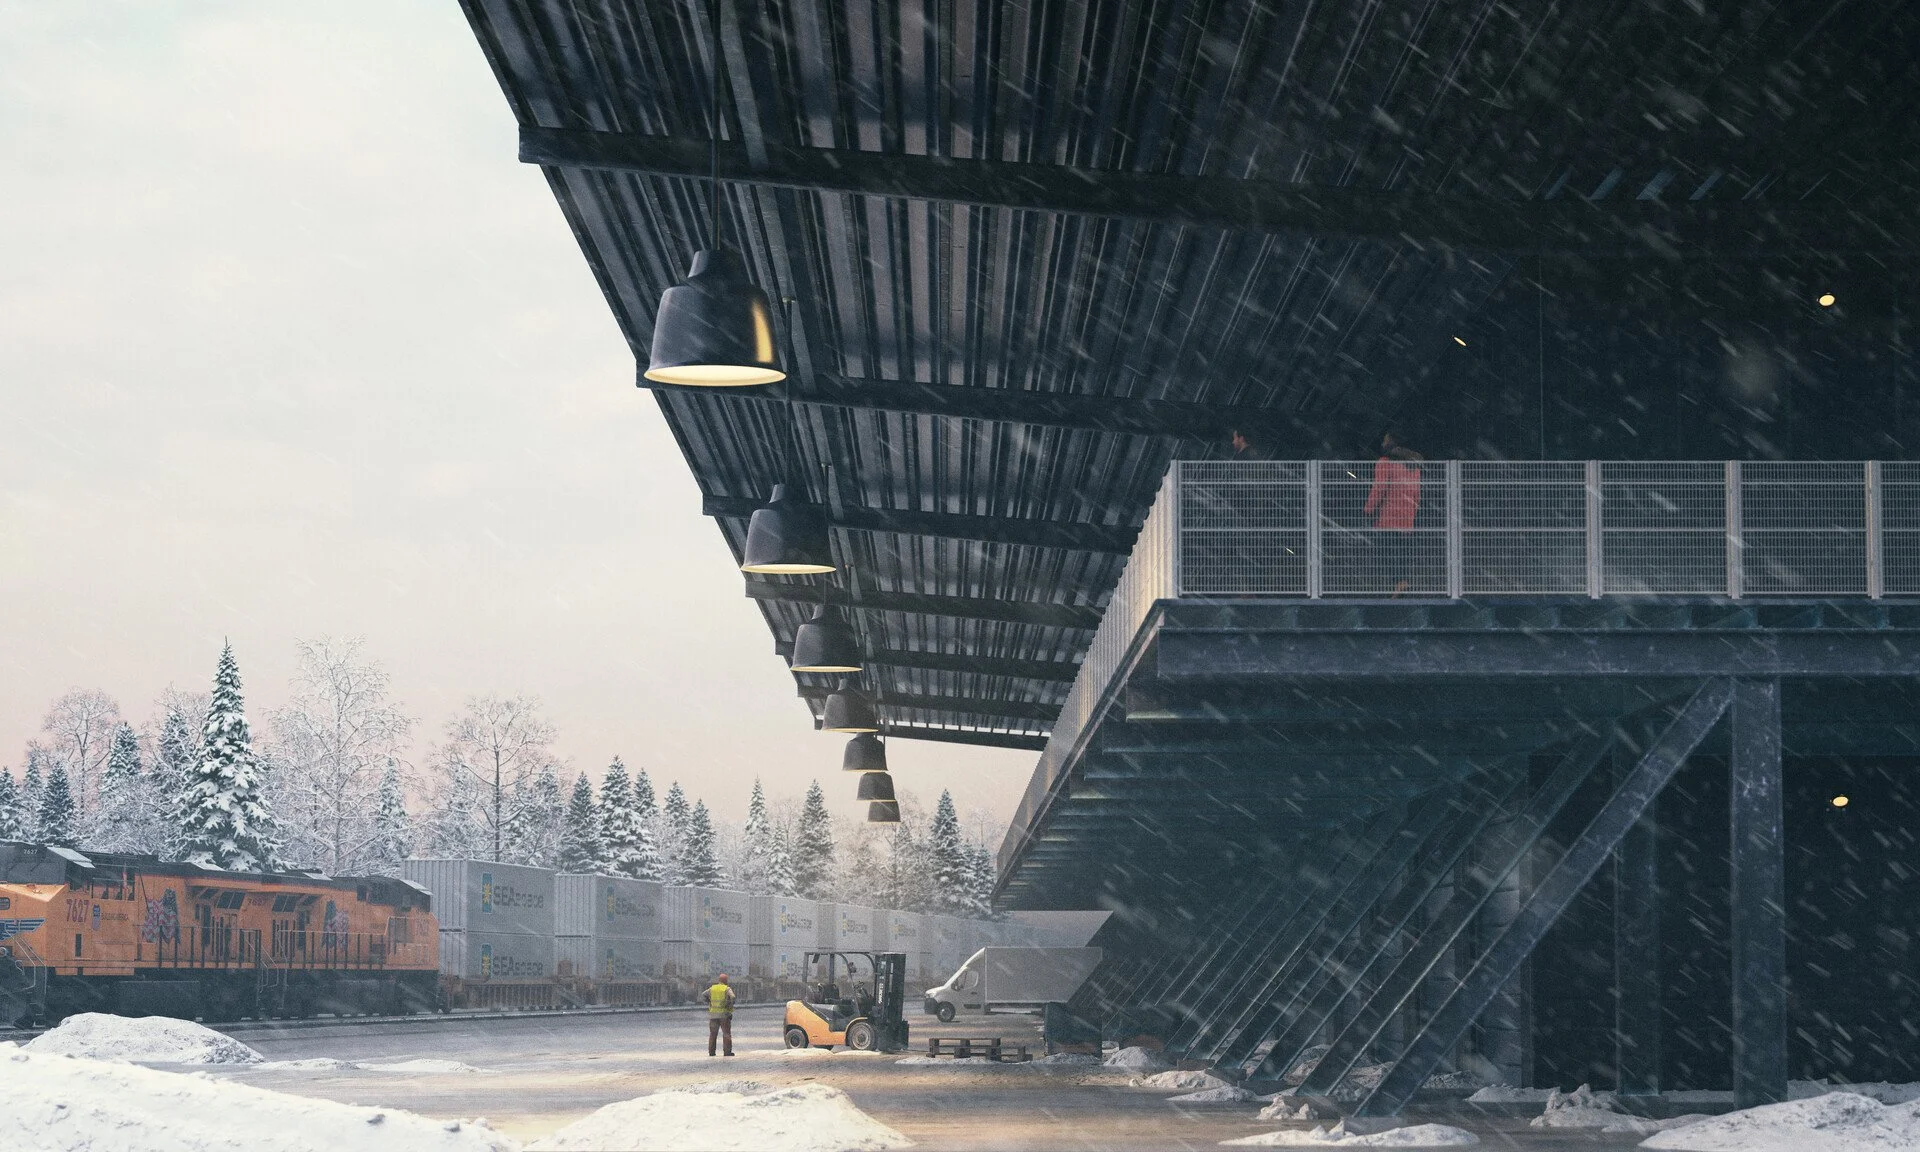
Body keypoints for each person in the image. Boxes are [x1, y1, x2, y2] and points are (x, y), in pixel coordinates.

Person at [1363, 432, 1424, 596]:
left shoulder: (1385, 462)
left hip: (1389, 515)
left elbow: (1379, 488)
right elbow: (1417, 494)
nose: (1382, 443)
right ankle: (1401, 582)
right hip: (1407, 515)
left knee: (1388, 550)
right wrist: (1412, 512)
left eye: (1385, 441)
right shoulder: (1413, 465)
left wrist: (1368, 508)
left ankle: (1398, 582)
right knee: (1402, 551)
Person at [705, 973, 737, 1056]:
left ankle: (711, 1052)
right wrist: (729, 1004)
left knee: (713, 1034)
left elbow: (704, 994)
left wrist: (710, 1002)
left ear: (719, 980)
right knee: (726, 1033)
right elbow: (733, 997)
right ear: (726, 980)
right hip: (724, 1015)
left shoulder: (712, 988)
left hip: (713, 1015)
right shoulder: (727, 988)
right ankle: (727, 1052)